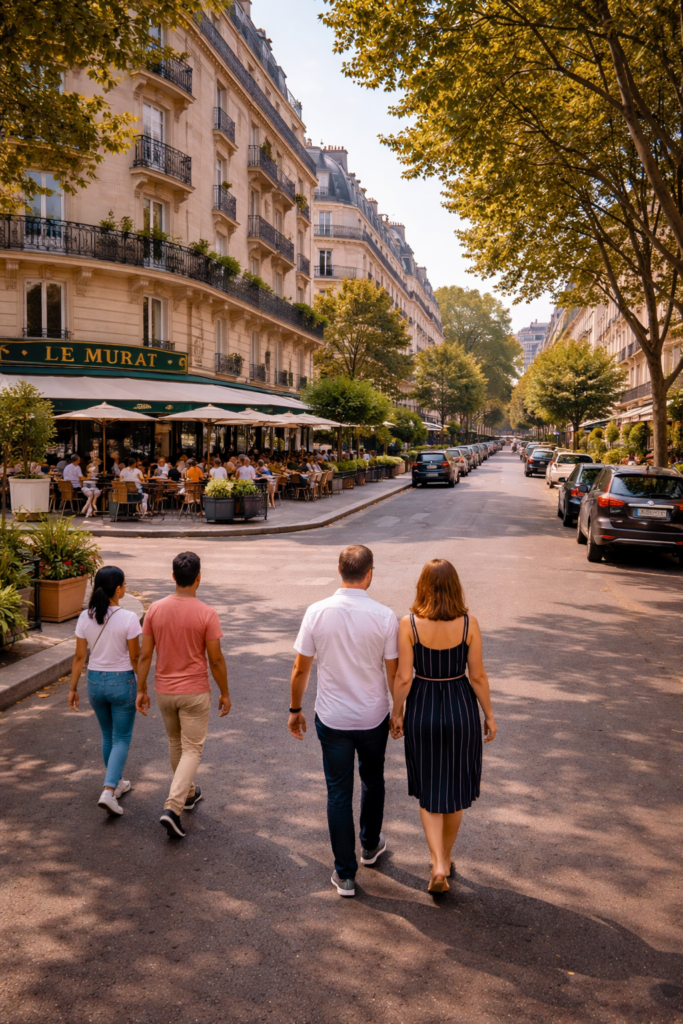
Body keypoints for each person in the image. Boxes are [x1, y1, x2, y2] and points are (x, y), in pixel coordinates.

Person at [289, 545, 399, 897]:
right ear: (369, 574)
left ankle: (345, 874)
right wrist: (398, 713)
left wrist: (295, 709)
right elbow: (395, 672)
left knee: (338, 792)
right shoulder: (385, 616)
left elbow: (300, 668)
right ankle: (369, 844)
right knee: (372, 778)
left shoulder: (317, 612)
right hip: (372, 717)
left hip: (333, 717)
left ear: (339, 571)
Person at [390, 560, 497, 893]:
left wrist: (397, 712)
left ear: (422, 586)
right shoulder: (469, 624)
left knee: (429, 789)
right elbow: (477, 675)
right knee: (455, 792)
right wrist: (489, 715)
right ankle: (444, 860)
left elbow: (404, 676)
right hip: (460, 708)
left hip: (422, 706)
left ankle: (437, 863)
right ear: (456, 587)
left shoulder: (408, 625)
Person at [136, 551, 231, 839]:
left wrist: (141, 689)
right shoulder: (206, 613)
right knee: (192, 750)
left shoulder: (154, 610)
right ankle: (172, 808)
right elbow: (215, 659)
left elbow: (145, 654)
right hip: (194, 692)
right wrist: (225, 692)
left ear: (174, 577)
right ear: (199, 578)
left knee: (176, 744)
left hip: (164, 690)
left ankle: (188, 794)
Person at [68, 566, 142, 816]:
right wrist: (142, 687)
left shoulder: (84, 617)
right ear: (118, 589)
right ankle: (109, 791)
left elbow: (80, 656)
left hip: (94, 683)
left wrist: (73, 688)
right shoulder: (129, 618)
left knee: (108, 736)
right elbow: (135, 658)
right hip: (122, 683)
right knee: (121, 738)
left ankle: (118, 783)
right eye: (124, 584)